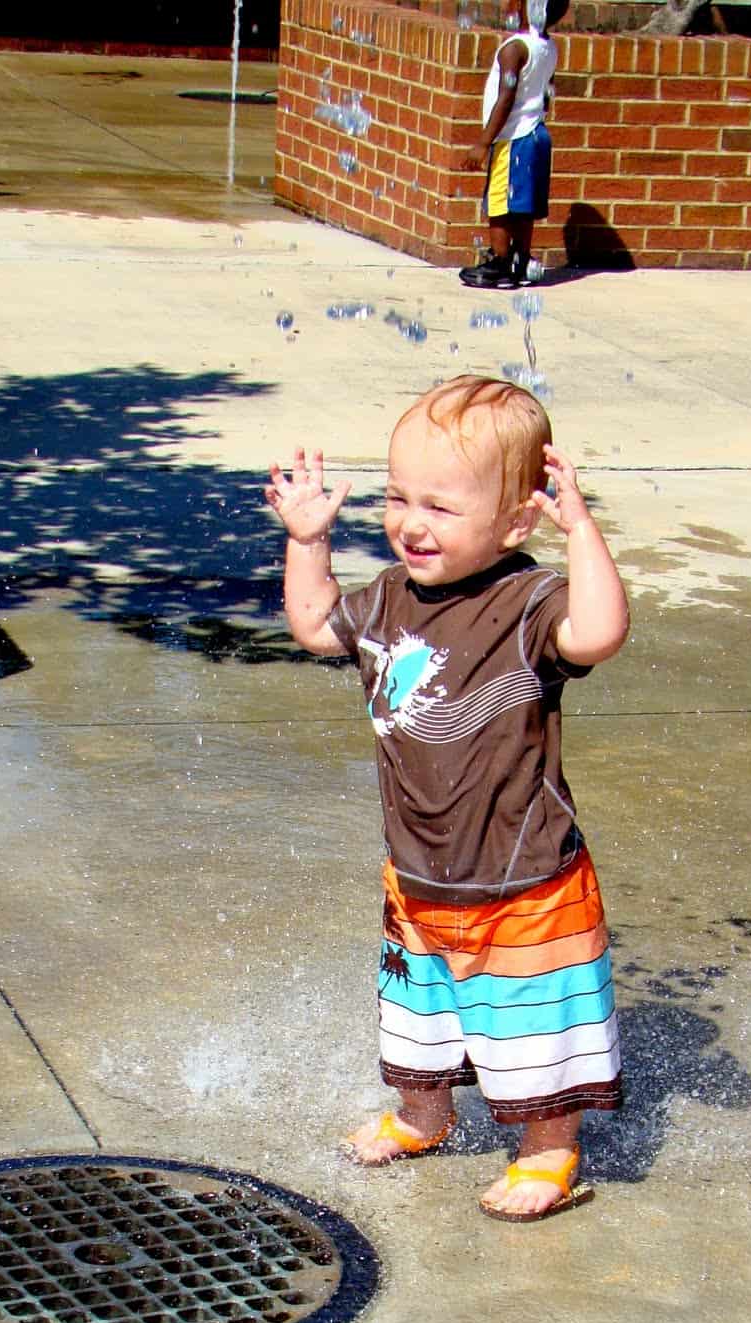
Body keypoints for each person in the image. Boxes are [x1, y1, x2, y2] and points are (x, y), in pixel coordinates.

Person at [265, 376, 629, 1221]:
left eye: (440, 506)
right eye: (398, 497)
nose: (410, 522)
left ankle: (549, 1148)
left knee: (534, 1027)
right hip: (419, 870)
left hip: (524, 875)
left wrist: (581, 529)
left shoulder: (527, 602)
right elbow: (317, 626)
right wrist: (308, 541)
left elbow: (601, 632)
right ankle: (426, 1115)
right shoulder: (391, 594)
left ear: (514, 521)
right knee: (418, 1016)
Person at [458, 0, 569, 290]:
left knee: (499, 202)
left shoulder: (514, 49)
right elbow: (547, 93)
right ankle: (521, 258)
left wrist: (483, 143)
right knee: (522, 205)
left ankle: (500, 261)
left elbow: (505, 98)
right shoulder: (549, 48)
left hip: (513, 137)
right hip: (536, 134)